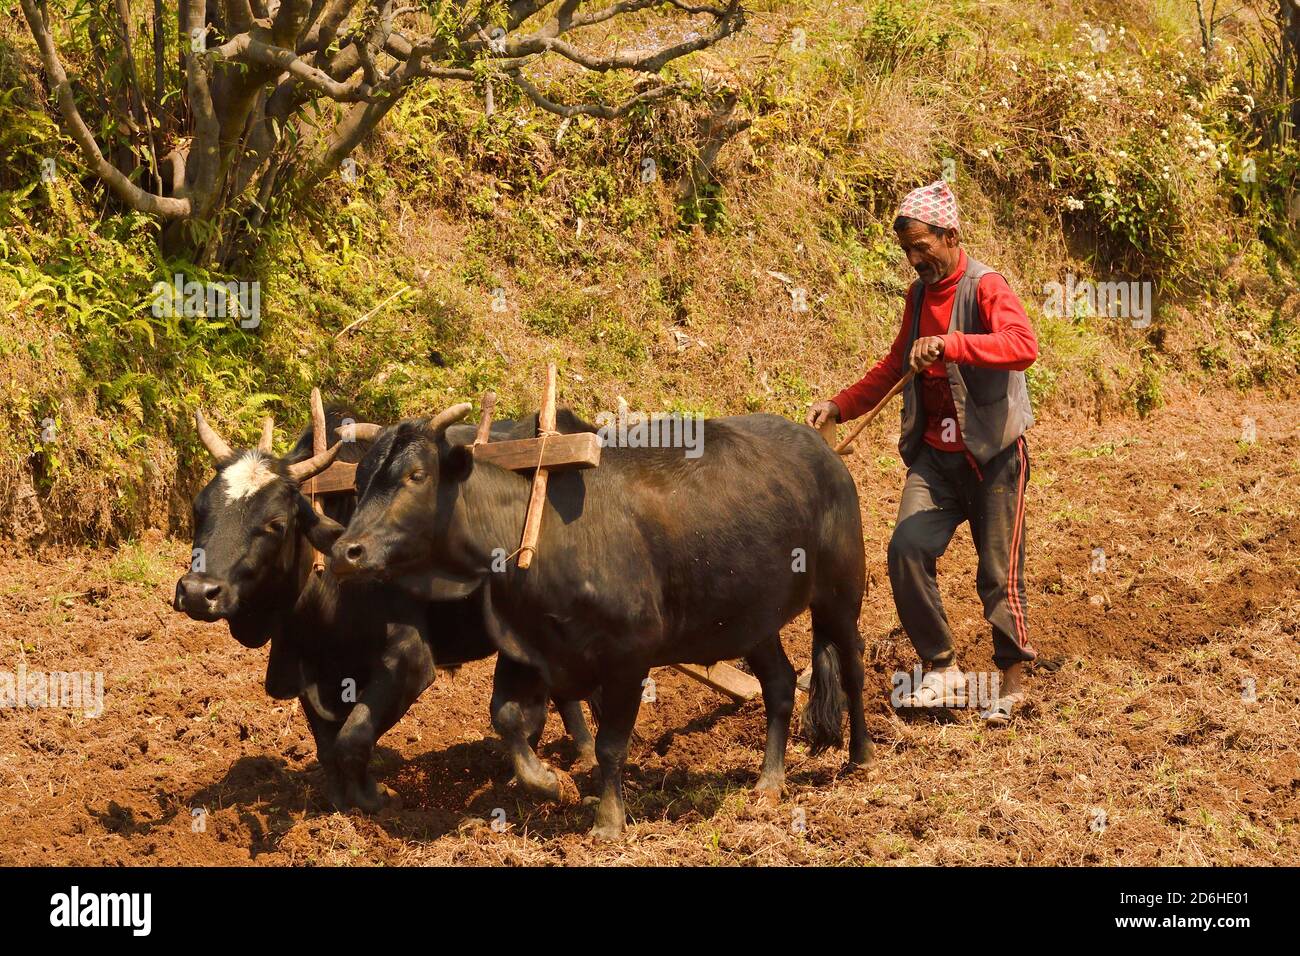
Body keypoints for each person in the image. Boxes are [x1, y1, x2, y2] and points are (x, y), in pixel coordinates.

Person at [806, 179, 1039, 724]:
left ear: (950, 234)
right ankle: (942, 667)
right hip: (936, 457)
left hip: (993, 455)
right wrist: (841, 406)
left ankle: (1012, 681)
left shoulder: (985, 286)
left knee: (997, 571)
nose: (914, 260)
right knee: (906, 549)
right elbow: (892, 367)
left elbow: (1022, 346)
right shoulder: (917, 297)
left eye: (922, 247)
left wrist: (953, 344)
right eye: (907, 251)